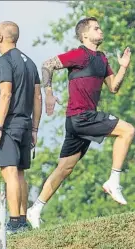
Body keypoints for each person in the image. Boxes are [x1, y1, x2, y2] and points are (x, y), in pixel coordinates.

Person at [27, 17, 134, 229]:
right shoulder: (79, 54)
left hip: (78, 122)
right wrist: (49, 92)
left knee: (64, 168)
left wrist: (122, 68)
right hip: (81, 117)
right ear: (85, 35)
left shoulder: (102, 59)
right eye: (96, 28)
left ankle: (35, 209)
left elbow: (113, 88)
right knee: (128, 130)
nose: (101, 31)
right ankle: (113, 181)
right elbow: (48, 64)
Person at [0, 21, 42, 234]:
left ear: (1, 37)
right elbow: (38, 97)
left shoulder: (4, 61)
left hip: (9, 124)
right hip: (26, 124)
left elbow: (6, 93)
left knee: (9, 172)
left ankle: (15, 222)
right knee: (19, 173)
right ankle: (22, 222)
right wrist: (35, 129)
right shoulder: (29, 62)